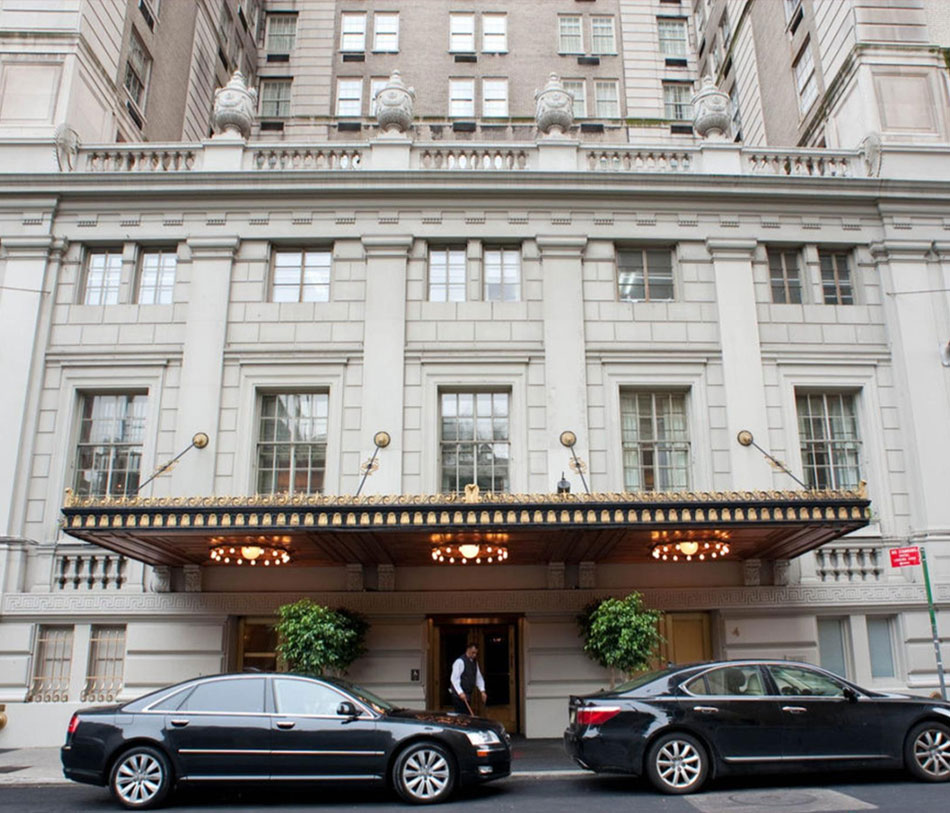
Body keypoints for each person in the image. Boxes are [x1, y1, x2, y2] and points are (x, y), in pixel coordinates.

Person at [449, 643, 486, 714]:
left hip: (467, 695)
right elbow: (454, 679)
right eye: (473, 653)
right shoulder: (460, 661)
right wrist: (460, 693)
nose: (474, 655)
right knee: (462, 715)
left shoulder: (474, 663)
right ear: (468, 650)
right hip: (458, 696)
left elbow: (478, 677)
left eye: (476, 653)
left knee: (466, 715)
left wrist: (482, 690)